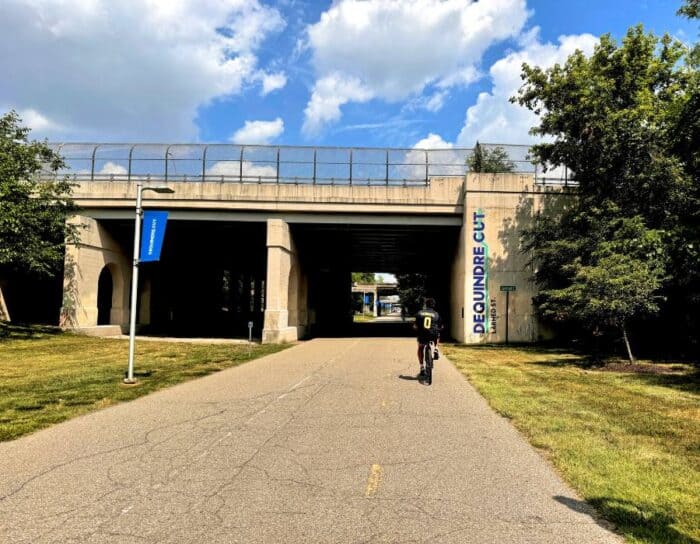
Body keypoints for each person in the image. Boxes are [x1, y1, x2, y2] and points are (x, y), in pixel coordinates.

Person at [413, 297, 442, 377]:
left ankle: (422, 367)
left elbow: (415, 326)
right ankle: (436, 348)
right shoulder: (436, 314)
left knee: (420, 348)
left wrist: (417, 328)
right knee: (437, 334)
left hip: (422, 335)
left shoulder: (419, 313)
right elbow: (440, 325)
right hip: (433, 334)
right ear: (434, 305)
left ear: (426, 305)